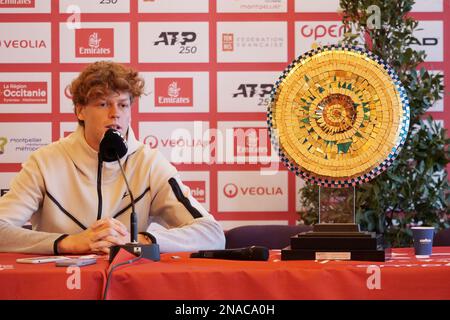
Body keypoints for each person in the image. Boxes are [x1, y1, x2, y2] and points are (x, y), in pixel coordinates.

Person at [0, 61, 225, 255]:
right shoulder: (44, 162)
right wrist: (68, 243)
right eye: (103, 104)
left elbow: (212, 233)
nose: (115, 113)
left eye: (123, 105)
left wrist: (138, 242)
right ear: (80, 111)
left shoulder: (149, 163)